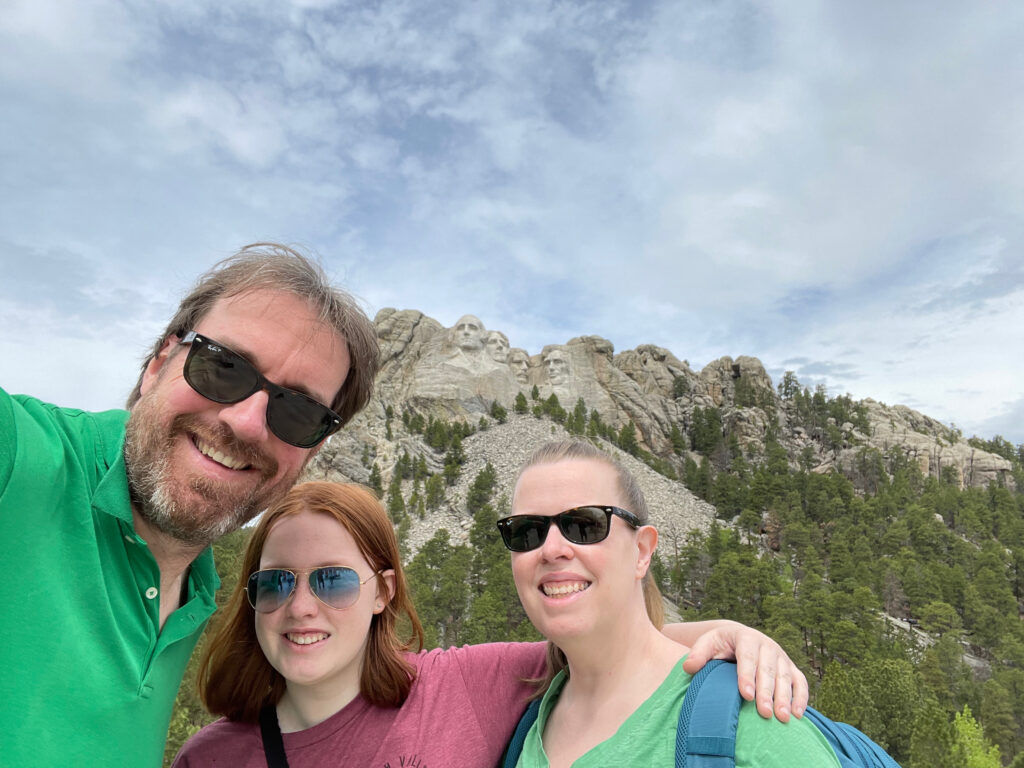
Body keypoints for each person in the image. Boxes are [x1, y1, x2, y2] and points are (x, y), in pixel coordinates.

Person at [0, 243, 380, 768]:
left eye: (297, 412)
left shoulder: (201, 589)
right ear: (158, 363)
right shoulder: (21, 455)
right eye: (223, 367)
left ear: (310, 451)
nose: (246, 422)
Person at [173, 480, 809, 767]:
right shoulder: (212, 758)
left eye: (332, 579)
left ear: (381, 593)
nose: (301, 607)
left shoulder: (464, 685)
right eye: (276, 583)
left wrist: (722, 632)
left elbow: (604, 648)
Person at [500, 440, 840, 767]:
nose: (551, 549)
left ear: (642, 551)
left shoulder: (751, 723)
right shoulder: (522, 726)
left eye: (584, 525)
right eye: (527, 532)